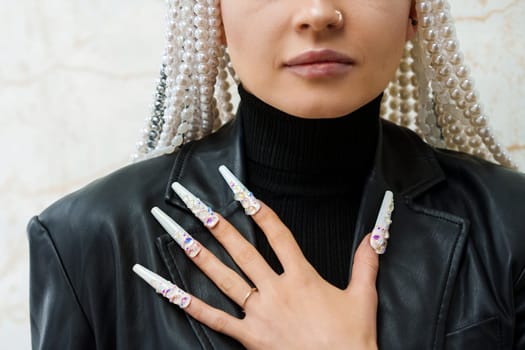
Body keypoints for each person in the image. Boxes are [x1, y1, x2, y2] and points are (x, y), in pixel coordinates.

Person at [27, 0, 525, 349]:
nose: (317, 14)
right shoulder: (86, 240)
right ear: (212, 11)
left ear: (417, 8)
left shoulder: (512, 225)